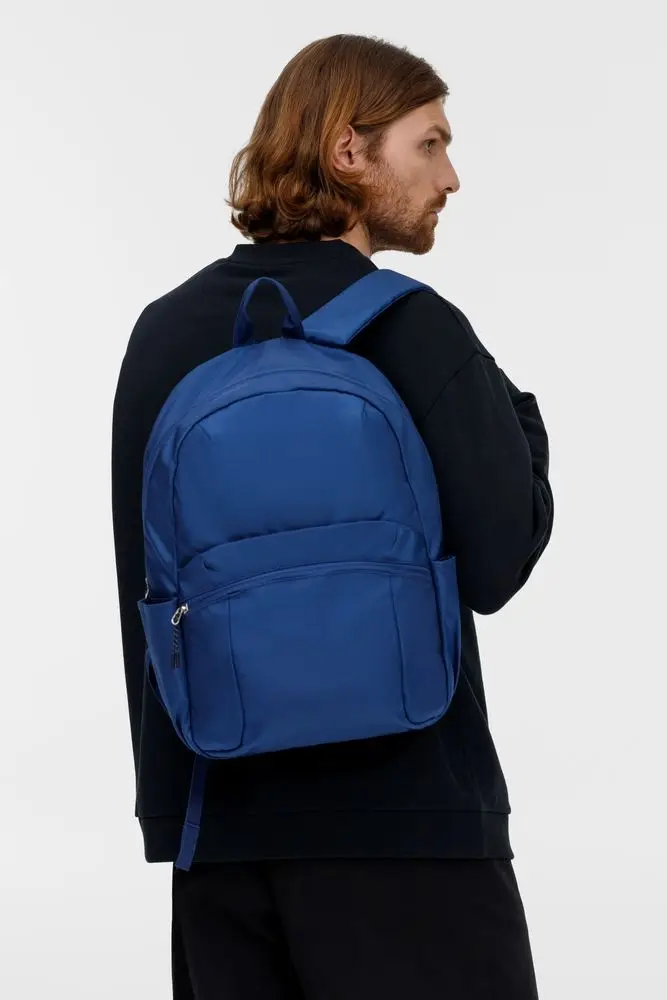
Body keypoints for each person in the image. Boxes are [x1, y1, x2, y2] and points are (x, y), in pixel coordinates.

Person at [111, 32, 553, 1000]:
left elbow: (142, 584)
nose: (450, 177)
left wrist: (174, 816)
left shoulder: (165, 331)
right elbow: (497, 561)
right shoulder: (410, 323)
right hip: (410, 829)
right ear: (348, 150)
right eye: (429, 143)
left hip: (219, 828)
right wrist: (521, 423)